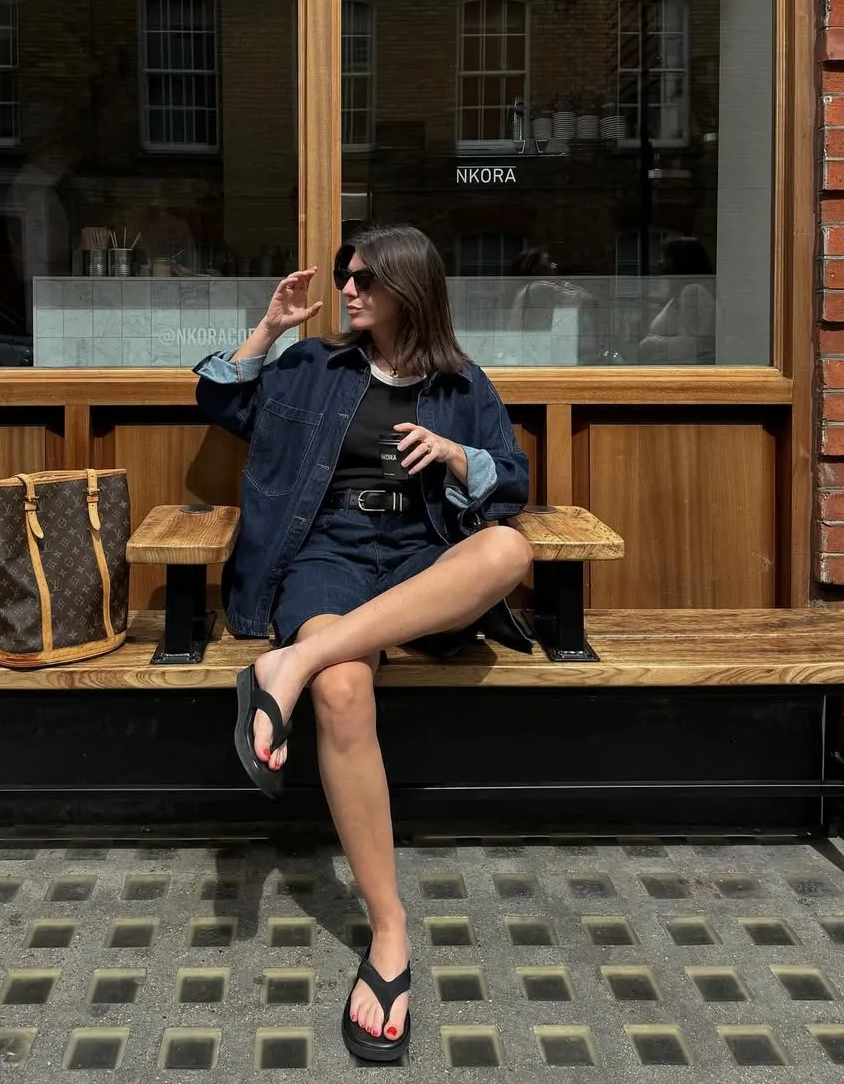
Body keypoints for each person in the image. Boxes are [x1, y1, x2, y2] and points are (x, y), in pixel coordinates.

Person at [193, 224, 531, 1063]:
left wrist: (456, 454)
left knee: (510, 549)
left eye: (364, 280)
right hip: (328, 553)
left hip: (421, 558)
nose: (347, 291)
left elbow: (512, 484)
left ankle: (289, 666)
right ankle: (388, 933)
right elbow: (222, 400)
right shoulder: (315, 367)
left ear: (409, 290)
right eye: (347, 278)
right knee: (344, 689)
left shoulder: (462, 384)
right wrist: (269, 329)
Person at [637, 235, 716, 365]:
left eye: (666, 258)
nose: (661, 263)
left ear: (679, 261)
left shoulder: (692, 291)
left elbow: (695, 344)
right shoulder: (683, 293)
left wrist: (650, 345)